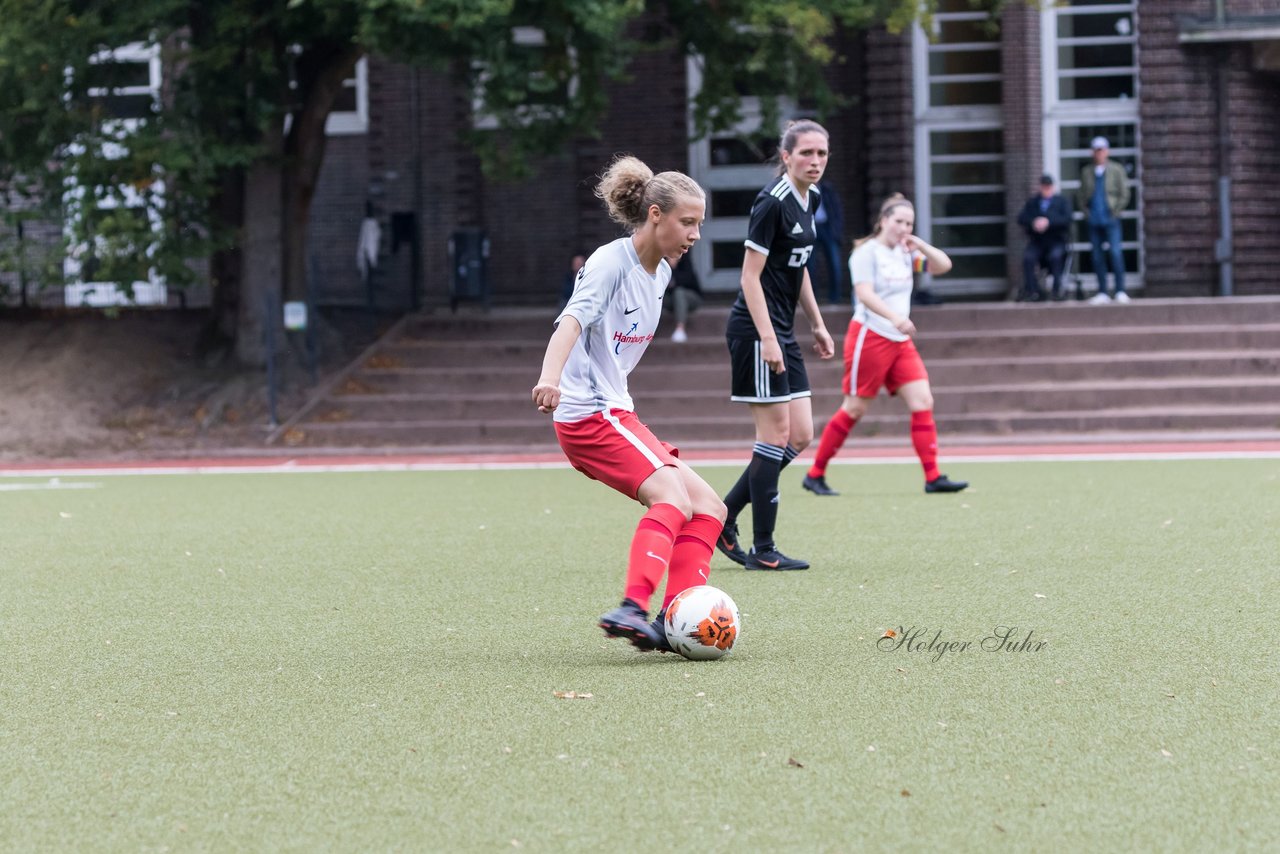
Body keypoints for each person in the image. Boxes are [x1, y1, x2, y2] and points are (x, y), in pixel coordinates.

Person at [531, 155, 725, 652]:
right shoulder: (609, 263)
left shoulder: (659, 273)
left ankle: (671, 618)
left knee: (709, 508)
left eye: (699, 224)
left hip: (616, 411)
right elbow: (571, 322)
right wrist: (550, 378)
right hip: (588, 415)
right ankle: (632, 608)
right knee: (673, 499)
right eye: (687, 222)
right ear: (655, 215)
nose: (695, 235)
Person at [716, 120, 837, 572]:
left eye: (822, 153)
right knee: (774, 437)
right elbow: (749, 277)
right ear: (786, 156)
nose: (816, 161)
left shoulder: (813, 198)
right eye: (806, 153)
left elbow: (798, 266)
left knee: (801, 434)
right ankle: (763, 550)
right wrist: (768, 338)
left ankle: (723, 516)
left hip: (784, 331)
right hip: (755, 330)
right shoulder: (772, 202)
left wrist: (818, 324)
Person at [801, 193, 969, 497]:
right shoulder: (867, 252)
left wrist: (920, 244)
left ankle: (933, 477)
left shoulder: (906, 252)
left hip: (900, 341)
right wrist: (895, 318)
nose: (904, 228)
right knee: (854, 408)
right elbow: (864, 294)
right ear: (883, 221)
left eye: (909, 223)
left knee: (923, 401)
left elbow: (943, 265)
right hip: (871, 335)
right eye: (899, 221)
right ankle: (815, 474)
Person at [1076, 136, 1131, 305]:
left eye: (1102, 149)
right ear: (1092, 152)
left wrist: (1116, 211)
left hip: (1111, 219)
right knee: (1097, 256)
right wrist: (1086, 212)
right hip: (1094, 220)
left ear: (1107, 151)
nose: (1099, 153)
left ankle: (1120, 290)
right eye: (1096, 150)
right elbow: (1081, 195)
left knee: (1115, 253)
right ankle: (1102, 292)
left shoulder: (1116, 169)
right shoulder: (1087, 171)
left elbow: (1125, 193)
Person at [1016, 173, 1073, 302]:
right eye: (1044, 186)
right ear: (1040, 187)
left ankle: (1056, 290)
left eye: (1048, 186)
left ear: (1052, 187)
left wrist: (1048, 222)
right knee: (1028, 258)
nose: (1046, 189)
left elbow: (1067, 219)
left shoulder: (1061, 202)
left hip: (1056, 240)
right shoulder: (1033, 202)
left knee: (1056, 257)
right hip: (1038, 241)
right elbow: (1021, 218)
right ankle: (1033, 291)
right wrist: (1034, 222)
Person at [807, 180, 845, 303]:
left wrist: (836, 230)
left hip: (827, 228)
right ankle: (812, 297)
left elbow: (836, 209)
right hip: (810, 228)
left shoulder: (827, 189)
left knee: (834, 263)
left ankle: (835, 297)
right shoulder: (802, 190)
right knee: (810, 264)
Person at [665, 252, 703, 343]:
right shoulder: (661, 265)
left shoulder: (686, 264)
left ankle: (680, 329)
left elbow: (686, 281)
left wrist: (673, 268)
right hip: (670, 301)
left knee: (679, 292)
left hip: (691, 298)